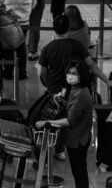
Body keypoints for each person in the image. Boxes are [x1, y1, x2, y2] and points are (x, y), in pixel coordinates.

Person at [35, 60, 93, 188]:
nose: (70, 76)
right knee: (78, 171)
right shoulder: (75, 88)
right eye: (69, 72)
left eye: (74, 73)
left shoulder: (81, 94)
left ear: (81, 75)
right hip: (76, 137)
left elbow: (70, 120)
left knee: (79, 173)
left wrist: (47, 122)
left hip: (78, 140)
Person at [39, 14, 109, 96]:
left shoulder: (47, 48)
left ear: (54, 28)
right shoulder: (77, 45)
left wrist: (49, 86)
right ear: (68, 28)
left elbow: (43, 73)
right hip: (74, 88)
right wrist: (107, 81)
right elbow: (91, 64)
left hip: (54, 89)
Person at [1, 0, 35, 79]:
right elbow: (34, 4)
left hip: (9, 23)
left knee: (8, 48)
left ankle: (7, 72)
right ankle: (22, 73)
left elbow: (0, 2)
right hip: (24, 23)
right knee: (21, 48)